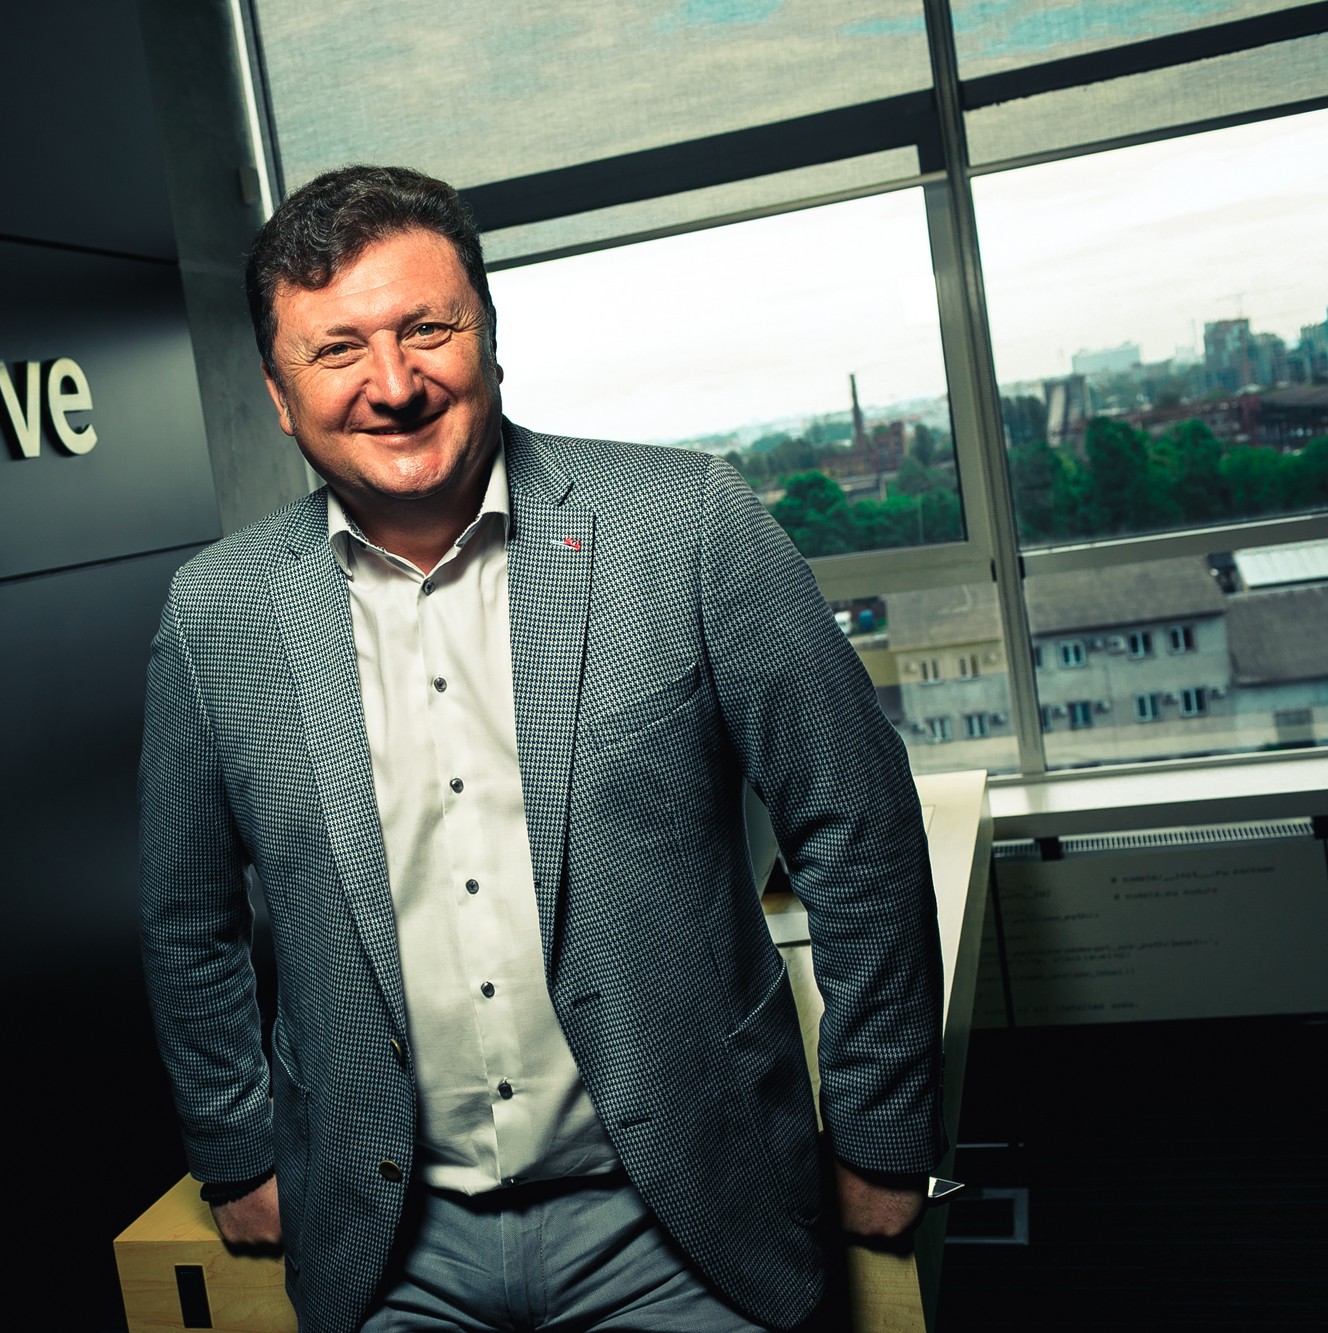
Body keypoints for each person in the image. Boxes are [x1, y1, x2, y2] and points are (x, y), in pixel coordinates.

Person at [140, 165, 942, 1333]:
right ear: (277, 391)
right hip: (383, 1246)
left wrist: (878, 1127)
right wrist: (235, 1147)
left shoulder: (685, 525)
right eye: (336, 350)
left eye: (426, 330)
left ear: (488, 335)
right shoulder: (215, 614)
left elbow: (855, 827)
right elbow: (185, 919)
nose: (392, 385)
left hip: (683, 1224)